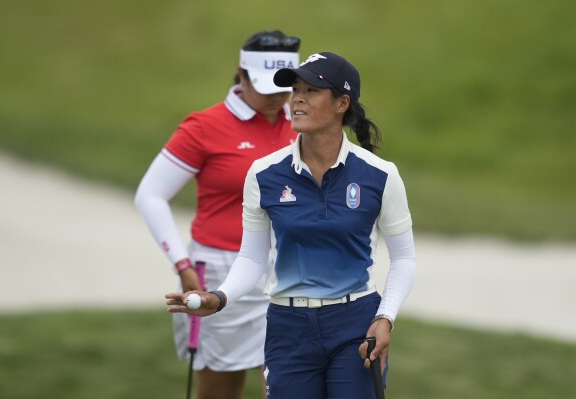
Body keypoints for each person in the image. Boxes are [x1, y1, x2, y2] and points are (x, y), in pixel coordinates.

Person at [165, 51, 417, 398]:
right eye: (295, 89)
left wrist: (385, 317)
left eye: (311, 90)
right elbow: (253, 258)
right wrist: (219, 297)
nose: (296, 98)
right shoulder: (264, 173)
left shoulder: (380, 175)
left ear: (342, 102)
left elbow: (404, 258)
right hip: (288, 327)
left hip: (356, 323)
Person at [135, 31, 301, 399]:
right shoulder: (205, 127)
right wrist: (182, 264)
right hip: (221, 270)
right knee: (220, 393)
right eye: (267, 86)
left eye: (286, 86)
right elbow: (151, 194)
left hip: (292, 269)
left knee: (289, 386)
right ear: (241, 75)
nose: (278, 96)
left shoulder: (303, 123)